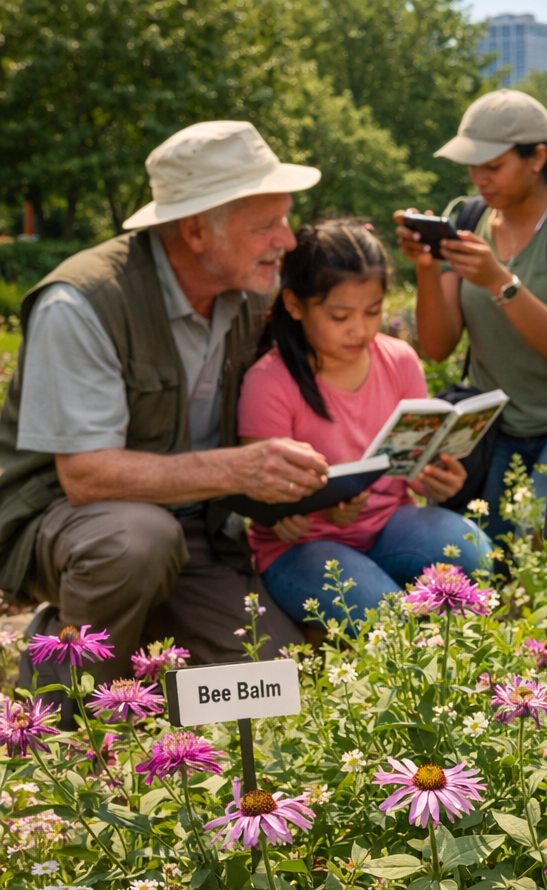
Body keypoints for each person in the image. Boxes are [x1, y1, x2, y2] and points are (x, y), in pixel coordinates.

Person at [0, 121, 329, 684]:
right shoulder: (80, 303)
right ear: (198, 231)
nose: (288, 239)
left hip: (195, 531)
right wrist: (242, 468)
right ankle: (57, 712)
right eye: (266, 224)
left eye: (285, 217)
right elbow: (85, 477)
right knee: (134, 545)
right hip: (68, 525)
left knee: (275, 681)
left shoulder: (248, 293)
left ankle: (128, 632)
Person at [396, 90, 547, 543]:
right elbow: (437, 345)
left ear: (537, 158)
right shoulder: (466, 219)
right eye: (472, 166)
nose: (478, 179)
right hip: (502, 422)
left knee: (542, 543)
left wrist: (498, 281)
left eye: (493, 166)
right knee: (481, 551)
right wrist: (427, 269)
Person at [237, 220, 492, 628]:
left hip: (388, 525)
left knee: (474, 553)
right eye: (340, 316)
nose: (361, 329)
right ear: (295, 304)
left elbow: (412, 465)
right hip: (304, 546)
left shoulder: (399, 360)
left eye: (373, 311)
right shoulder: (270, 382)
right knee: (389, 620)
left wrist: (434, 478)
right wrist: (287, 514)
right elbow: (260, 499)